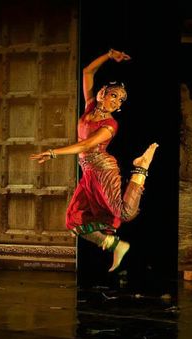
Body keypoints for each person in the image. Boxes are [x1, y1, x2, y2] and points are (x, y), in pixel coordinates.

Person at [30, 49, 159, 272]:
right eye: (114, 94)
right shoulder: (90, 105)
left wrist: (53, 153)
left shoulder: (110, 125)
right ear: (103, 92)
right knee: (74, 221)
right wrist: (109, 56)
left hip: (103, 169)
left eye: (120, 100)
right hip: (88, 171)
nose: (116, 101)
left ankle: (141, 167)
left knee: (124, 213)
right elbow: (88, 71)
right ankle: (115, 246)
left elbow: (86, 145)